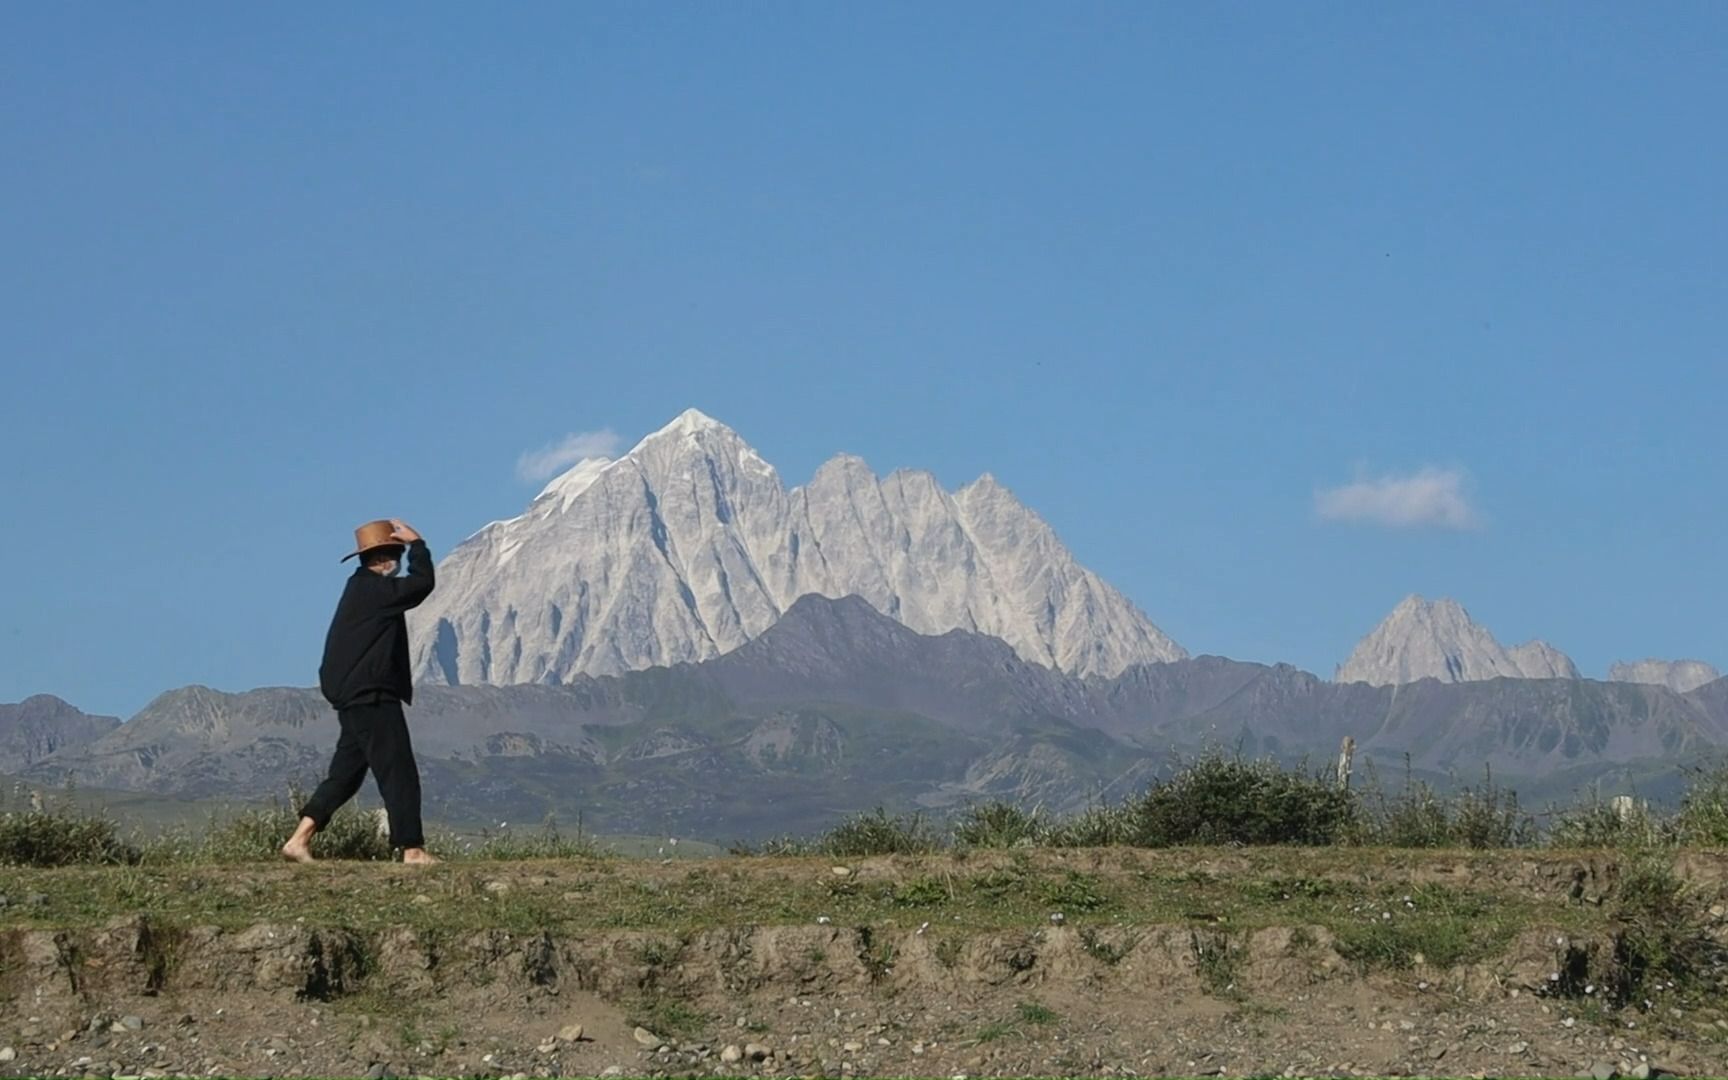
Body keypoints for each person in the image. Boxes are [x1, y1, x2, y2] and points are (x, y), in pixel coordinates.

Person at [281, 519, 438, 864]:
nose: (397, 562)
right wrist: (419, 545)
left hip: (354, 698)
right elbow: (421, 584)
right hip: (372, 695)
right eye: (396, 553)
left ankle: (298, 840)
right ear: (385, 558)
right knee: (398, 771)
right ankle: (411, 848)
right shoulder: (375, 591)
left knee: (346, 775)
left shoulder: (359, 590)